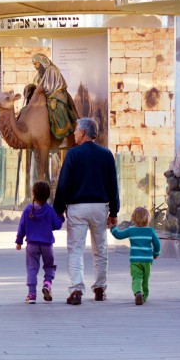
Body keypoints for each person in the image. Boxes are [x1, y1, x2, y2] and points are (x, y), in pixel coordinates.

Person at [53, 117, 119, 305]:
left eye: (75, 130)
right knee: (100, 249)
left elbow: (63, 184)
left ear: (83, 132)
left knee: (76, 249)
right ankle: (99, 288)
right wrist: (113, 212)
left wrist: (58, 209)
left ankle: (76, 290)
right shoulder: (106, 154)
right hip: (100, 207)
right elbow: (113, 185)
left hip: (77, 208)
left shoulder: (73, 155)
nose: (74, 133)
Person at [15, 181, 64, 304]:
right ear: (48, 195)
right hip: (47, 245)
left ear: (33, 193)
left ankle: (31, 295)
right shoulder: (49, 210)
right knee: (49, 266)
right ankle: (47, 284)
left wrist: (19, 241)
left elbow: (22, 226)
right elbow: (56, 225)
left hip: (32, 245)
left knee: (32, 268)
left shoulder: (28, 210)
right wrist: (61, 217)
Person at [110, 207, 161, 305]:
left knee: (137, 277)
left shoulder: (131, 230)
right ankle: (144, 296)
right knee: (145, 279)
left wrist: (113, 228)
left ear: (133, 218)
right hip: (147, 261)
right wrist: (155, 253)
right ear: (148, 219)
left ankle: (138, 292)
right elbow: (157, 244)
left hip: (135, 260)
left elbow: (119, 235)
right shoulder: (150, 231)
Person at [30, 53, 79, 148]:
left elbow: (60, 87)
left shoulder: (53, 70)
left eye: (36, 64)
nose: (35, 67)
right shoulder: (40, 73)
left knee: (58, 110)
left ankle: (63, 137)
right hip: (44, 98)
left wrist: (54, 99)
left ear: (41, 62)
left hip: (58, 96)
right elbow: (38, 85)